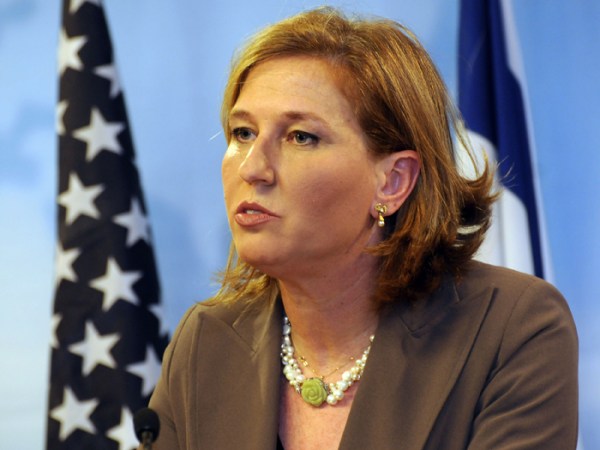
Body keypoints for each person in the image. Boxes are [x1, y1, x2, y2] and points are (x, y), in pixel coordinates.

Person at [147, 7, 578, 450]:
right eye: (242, 133)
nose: (252, 168)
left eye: (300, 137)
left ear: (393, 182)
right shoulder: (207, 342)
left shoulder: (510, 329)